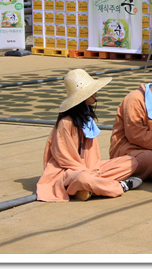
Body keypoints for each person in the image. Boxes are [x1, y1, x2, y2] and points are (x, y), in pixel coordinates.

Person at [36, 69, 142, 202]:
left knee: (131, 162)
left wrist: (92, 170)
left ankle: (88, 187)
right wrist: (86, 172)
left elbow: (93, 158)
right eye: (92, 91)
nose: (96, 93)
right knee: (84, 178)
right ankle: (118, 186)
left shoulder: (86, 118)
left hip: (91, 168)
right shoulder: (66, 122)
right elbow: (64, 157)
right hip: (70, 170)